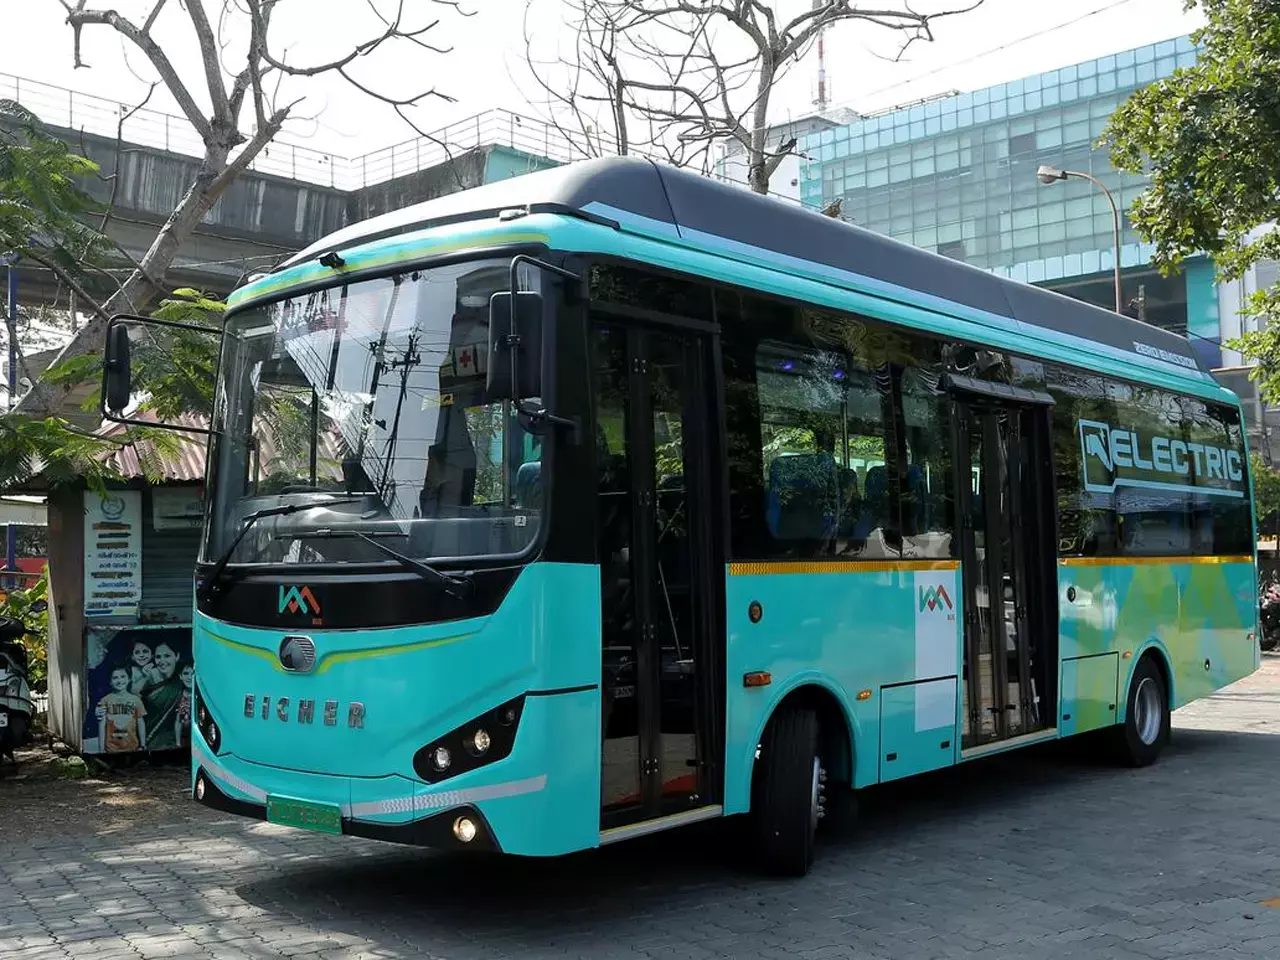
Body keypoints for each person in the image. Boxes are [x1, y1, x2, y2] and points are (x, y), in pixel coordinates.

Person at [139, 641, 184, 751]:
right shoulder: (148, 678)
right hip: (146, 740)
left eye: (167, 656)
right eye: (158, 657)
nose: (162, 661)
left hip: (171, 742)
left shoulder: (182, 679)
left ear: (177, 656)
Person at [97, 665, 147, 753]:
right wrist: (101, 749)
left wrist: (142, 745)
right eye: (115, 678)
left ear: (129, 679)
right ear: (110, 681)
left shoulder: (136, 700)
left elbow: (140, 723)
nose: (119, 680)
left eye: (123, 676)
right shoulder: (105, 700)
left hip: (132, 748)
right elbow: (101, 726)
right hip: (111, 749)